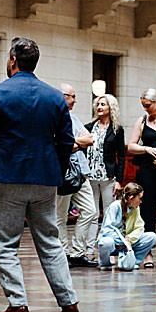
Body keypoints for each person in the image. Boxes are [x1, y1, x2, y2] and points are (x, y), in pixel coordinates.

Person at [0, 37, 79, 312]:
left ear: (12, 61)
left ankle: (18, 304)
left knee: (6, 244)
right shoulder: (55, 97)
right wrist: (56, 172)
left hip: (6, 177)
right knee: (50, 241)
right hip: (45, 178)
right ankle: (69, 302)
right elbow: (66, 140)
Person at [126, 88, 156, 268]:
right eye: (143, 106)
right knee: (146, 210)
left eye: (148, 106)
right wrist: (146, 149)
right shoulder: (142, 120)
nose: (146, 109)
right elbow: (131, 146)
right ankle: (147, 252)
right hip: (147, 169)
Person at [56, 84, 98, 269]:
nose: (74, 100)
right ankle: (63, 252)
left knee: (90, 211)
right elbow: (58, 145)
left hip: (81, 172)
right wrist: (76, 143)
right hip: (62, 173)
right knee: (60, 215)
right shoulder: (53, 119)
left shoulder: (74, 118)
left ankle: (77, 252)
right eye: (71, 96)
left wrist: (75, 143)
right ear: (62, 97)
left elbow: (89, 139)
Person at [82, 94, 125, 261]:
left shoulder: (117, 129)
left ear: (110, 108)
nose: (99, 107)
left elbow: (121, 157)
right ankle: (89, 250)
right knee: (91, 213)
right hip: (90, 176)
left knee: (109, 214)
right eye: (98, 104)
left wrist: (119, 180)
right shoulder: (88, 127)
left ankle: (110, 248)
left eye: (103, 105)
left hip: (108, 177)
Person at [95, 182, 156, 271]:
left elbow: (139, 227)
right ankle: (105, 263)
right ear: (131, 198)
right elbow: (107, 229)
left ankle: (133, 261)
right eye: (139, 198)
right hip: (114, 243)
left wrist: (129, 239)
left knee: (151, 237)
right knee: (105, 242)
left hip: (127, 244)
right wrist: (121, 241)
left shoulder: (136, 208)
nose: (141, 201)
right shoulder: (115, 206)